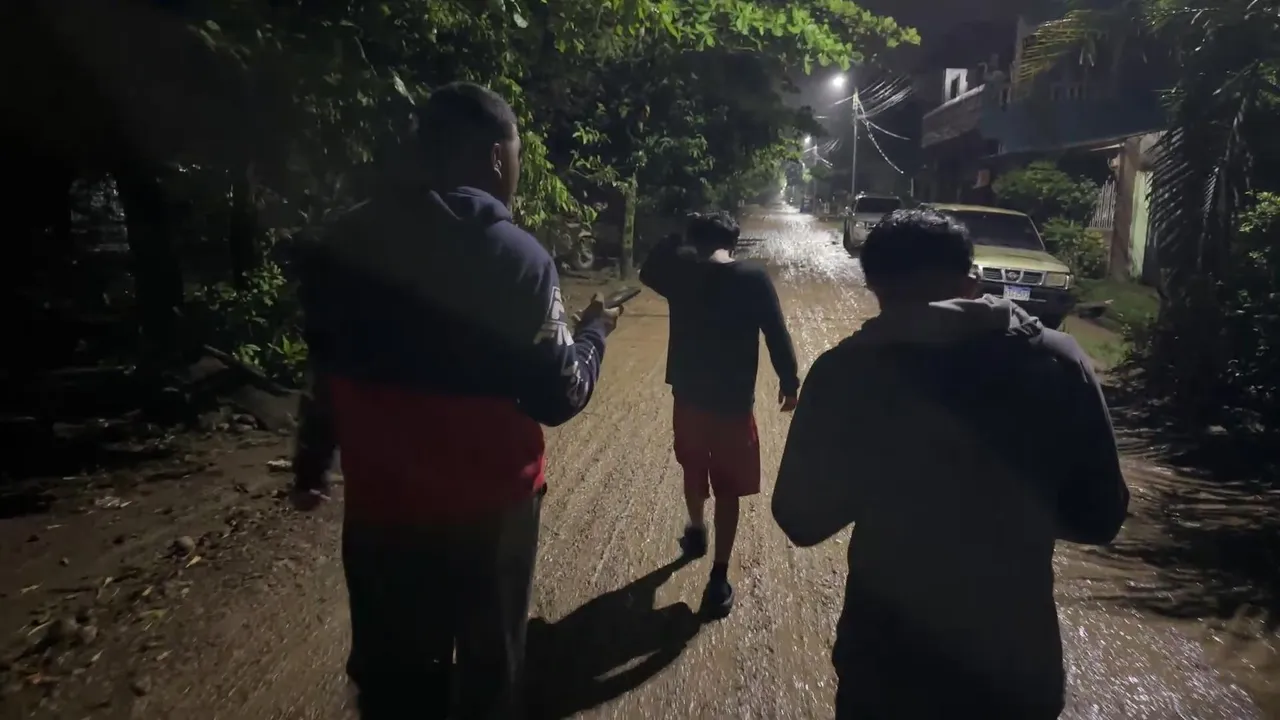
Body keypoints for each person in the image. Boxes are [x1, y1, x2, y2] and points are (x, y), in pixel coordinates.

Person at [293, 81, 621, 719]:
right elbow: (560, 394)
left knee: (393, 685)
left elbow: (325, 365)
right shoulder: (520, 259)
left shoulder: (346, 241)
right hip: (490, 513)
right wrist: (594, 335)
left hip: (382, 508)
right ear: (498, 156)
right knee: (486, 675)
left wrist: (312, 462)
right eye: (517, 154)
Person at [771, 208, 1130, 719]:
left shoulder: (844, 371)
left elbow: (800, 518)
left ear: (873, 285)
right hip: (1016, 665)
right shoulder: (1058, 359)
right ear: (971, 280)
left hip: (888, 664)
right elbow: (1100, 517)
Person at [640, 211, 799, 618]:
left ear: (695, 241)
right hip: (733, 403)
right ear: (735, 242)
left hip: (689, 398)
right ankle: (719, 577)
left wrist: (678, 235)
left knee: (692, 467)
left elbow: (648, 268)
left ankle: (696, 530)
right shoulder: (753, 278)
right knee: (728, 488)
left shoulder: (682, 274)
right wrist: (789, 379)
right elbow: (775, 330)